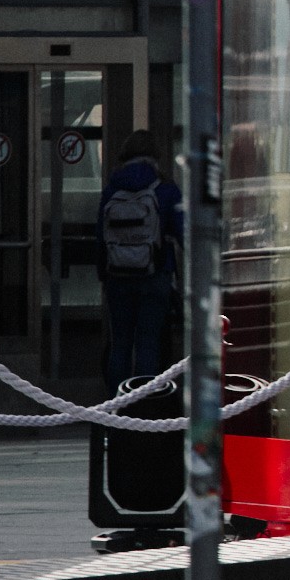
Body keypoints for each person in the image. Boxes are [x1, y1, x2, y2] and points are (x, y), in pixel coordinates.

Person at [95, 129, 182, 389]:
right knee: (148, 344)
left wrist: (104, 273)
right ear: (155, 156)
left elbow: (100, 234)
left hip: (117, 277)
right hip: (154, 275)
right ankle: (143, 408)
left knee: (120, 344)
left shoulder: (112, 189)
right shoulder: (164, 188)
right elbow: (183, 231)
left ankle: (116, 407)